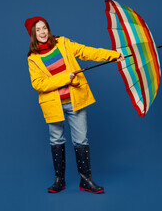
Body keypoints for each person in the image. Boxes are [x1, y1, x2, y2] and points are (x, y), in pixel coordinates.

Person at [25, 16, 123, 194]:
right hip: (53, 105)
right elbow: (38, 84)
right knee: (56, 140)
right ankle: (59, 180)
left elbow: (86, 52)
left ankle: (86, 180)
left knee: (81, 140)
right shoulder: (32, 58)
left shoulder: (63, 43)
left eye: (44, 28)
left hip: (75, 100)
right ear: (32, 34)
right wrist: (64, 78)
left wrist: (113, 55)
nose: (42, 32)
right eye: (38, 30)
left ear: (48, 29)